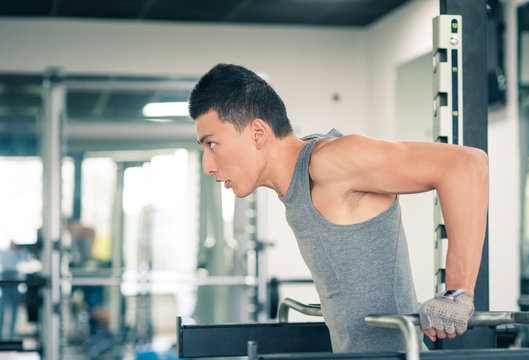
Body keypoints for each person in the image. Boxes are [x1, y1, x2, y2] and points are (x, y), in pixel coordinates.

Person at [188, 63, 488, 353]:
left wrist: (457, 293)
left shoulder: (328, 162)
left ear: (257, 132)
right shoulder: (296, 183)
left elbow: (465, 165)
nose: (207, 165)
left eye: (211, 144)